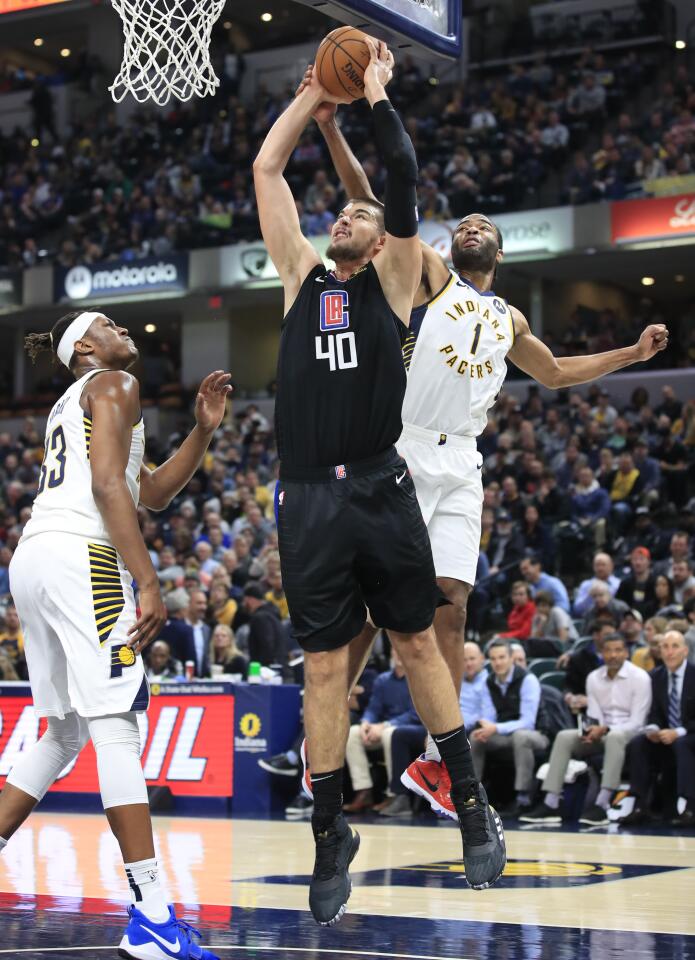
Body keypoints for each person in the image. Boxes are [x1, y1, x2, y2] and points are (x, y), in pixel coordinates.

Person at [302, 56, 668, 825]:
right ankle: (324, 741)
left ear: (496, 254)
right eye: (462, 222)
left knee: (451, 613)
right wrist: (336, 130)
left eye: (481, 227)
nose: (467, 227)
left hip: (460, 463)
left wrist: (630, 356)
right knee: (373, 612)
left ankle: (436, 766)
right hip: (399, 448)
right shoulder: (431, 277)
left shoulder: (509, 320)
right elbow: (374, 200)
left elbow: (560, 373)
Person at [255, 41, 506, 922]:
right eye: (341, 214)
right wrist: (308, 98)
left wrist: (371, 93)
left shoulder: (398, 280)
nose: (344, 219)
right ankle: (330, 832)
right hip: (307, 498)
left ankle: (471, 804)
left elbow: (396, 169)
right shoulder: (297, 279)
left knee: (414, 642)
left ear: (382, 232)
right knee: (323, 671)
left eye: (358, 214)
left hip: (380, 481)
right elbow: (266, 166)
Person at [0, 309, 230, 958]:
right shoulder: (114, 385)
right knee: (115, 727)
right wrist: (147, 579)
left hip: (33, 559)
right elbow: (109, 488)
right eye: (108, 322)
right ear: (86, 349)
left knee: (65, 732)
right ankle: (153, 914)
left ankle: (152, 914)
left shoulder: (82, 398)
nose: (123, 326)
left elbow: (149, 491)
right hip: (86, 557)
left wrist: (201, 433)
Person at [521, 634, 651, 826]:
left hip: (630, 734)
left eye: (618, 650)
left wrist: (605, 729)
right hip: (601, 732)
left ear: (626, 653)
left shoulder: (640, 678)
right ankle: (551, 803)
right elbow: (594, 715)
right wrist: (590, 730)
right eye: (608, 650)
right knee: (565, 737)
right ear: (602, 653)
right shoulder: (593, 678)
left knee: (615, 736)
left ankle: (603, 803)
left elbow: (638, 722)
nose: (613, 655)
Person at [619, 631, 695, 827]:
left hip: (689, 734)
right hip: (665, 735)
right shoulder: (654, 676)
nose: (669, 652)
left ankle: (689, 807)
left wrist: (677, 732)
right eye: (665, 647)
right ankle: (639, 805)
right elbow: (653, 712)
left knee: (682, 744)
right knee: (639, 743)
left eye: (675, 646)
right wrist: (653, 729)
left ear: (685, 651)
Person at [470, 640, 549, 818]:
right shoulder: (488, 682)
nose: (497, 663)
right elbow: (489, 717)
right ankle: (472, 798)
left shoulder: (528, 680)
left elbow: (528, 722)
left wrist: (495, 727)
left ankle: (523, 798)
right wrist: (485, 727)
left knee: (521, 736)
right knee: (476, 737)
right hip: (505, 735)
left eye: (502, 657)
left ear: (511, 658)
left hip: (537, 735)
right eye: (493, 659)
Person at [343, 651, 415, 813]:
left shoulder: (418, 678)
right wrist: (366, 722)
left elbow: (415, 713)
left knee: (392, 734)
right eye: (395, 650)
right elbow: (373, 709)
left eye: (400, 649)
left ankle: (394, 794)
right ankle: (364, 790)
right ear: (391, 655)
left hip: (411, 727)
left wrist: (384, 725)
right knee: (353, 733)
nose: (398, 654)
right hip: (382, 728)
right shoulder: (382, 680)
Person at [241, 583, 286, 668]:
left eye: (245, 600)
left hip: (266, 672)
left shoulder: (260, 617)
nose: (243, 604)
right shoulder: (272, 614)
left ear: (250, 599)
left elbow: (267, 645)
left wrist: (262, 669)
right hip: (277, 667)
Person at [572, 552, 620, 617]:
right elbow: (577, 611)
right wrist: (589, 596)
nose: (600, 568)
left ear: (611, 566)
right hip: (592, 620)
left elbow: (623, 607)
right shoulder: (586, 585)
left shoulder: (618, 584)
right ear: (593, 567)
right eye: (597, 565)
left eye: (603, 565)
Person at [616, 546, 657, 619]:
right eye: (635, 559)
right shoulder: (625, 584)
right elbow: (619, 602)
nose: (638, 563)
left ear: (648, 561)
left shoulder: (655, 582)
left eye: (641, 559)